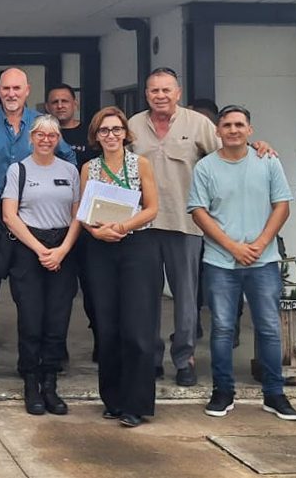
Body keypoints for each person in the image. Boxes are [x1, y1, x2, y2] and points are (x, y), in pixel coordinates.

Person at [0, 68, 76, 383]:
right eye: (6, 88)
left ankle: (47, 356)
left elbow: (68, 161)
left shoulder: (43, 125)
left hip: (34, 220)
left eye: (17, 88)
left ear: (27, 90)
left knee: (39, 293)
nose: (11, 94)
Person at [188, 105, 296, 421]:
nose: (233, 130)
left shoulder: (268, 161)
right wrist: (233, 247)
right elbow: (199, 212)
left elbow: (282, 205)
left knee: (269, 328)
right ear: (218, 131)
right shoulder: (205, 167)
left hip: (263, 261)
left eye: (239, 125)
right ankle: (223, 391)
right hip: (221, 261)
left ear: (250, 130)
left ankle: (274, 394)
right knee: (222, 327)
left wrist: (260, 244)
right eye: (227, 125)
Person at [127, 67, 222, 386]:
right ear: (146, 94)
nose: (160, 96)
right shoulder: (133, 126)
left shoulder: (198, 124)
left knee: (186, 297)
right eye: (154, 90)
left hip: (185, 223)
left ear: (178, 93)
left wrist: (259, 148)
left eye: (166, 90)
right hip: (142, 225)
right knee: (145, 296)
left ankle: (184, 358)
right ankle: (150, 357)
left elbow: (226, 155)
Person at [81, 106, 159, 428]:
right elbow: (84, 212)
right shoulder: (89, 168)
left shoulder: (140, 164)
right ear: (96, 136)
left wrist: (123, 226)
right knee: (107, 326)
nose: (111, 135)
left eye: (116, 129)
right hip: (101, 249)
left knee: (137, 328)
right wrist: (95, 231)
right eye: (104, 130)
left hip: (136, 246)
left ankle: (135, 404)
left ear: (126, 133)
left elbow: (152, 208)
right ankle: (112, 400)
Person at [2, 114, 82, 416]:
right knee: (31, 319)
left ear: (58, 139)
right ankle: (31, 382)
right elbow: (9, 215)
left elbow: (78, 215)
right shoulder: (18, 170)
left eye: (52, 135)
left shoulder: (70, 170)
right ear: (31, 138)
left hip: (63, 247)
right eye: (40, 134)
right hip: (28, 248)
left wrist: (62, 250)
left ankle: (50, 383)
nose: (46, 140)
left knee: (57, 320)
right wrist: (39, 250)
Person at [46, 83, 97, 362]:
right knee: (59, 293)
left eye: (65, 101)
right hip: (55, 223)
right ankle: (57, 347)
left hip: (88, 223)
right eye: (54, 102)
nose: (60, 106)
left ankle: (101, 340)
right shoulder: (43, 135)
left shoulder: (90, 134)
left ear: (74, 103)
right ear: (47, 107)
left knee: (93, 287)